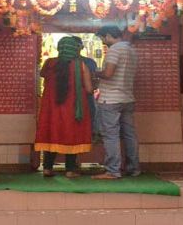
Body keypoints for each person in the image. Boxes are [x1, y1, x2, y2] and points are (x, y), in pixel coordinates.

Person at [34, 36, 94, 178]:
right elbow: (89, 89)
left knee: (51, 134)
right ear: (75, 49)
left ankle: (47, 169)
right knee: (71, 134)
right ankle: (70, 170)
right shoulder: (81, 65)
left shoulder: (49, 63)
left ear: (59, 48)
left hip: (52, 109)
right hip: (73, 108)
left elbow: (43, 75)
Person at [92, 25, 140, 180]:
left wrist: (95, 73)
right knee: (129, 134)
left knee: (110, 135)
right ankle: (133, 168)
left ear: (108, 36)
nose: (103, 42)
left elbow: (108, 73)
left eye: (102, 38)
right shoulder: (131, 49)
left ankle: (113, 170)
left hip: (111, 99)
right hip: (127, 98)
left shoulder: (114, 50)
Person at [71, 36, 100, 143]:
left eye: (77, 46)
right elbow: (94, 82)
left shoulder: (89, 62)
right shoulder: (89, 62)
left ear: (81, 47)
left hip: (84, 98)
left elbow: (94, 81)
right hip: (85, 97)